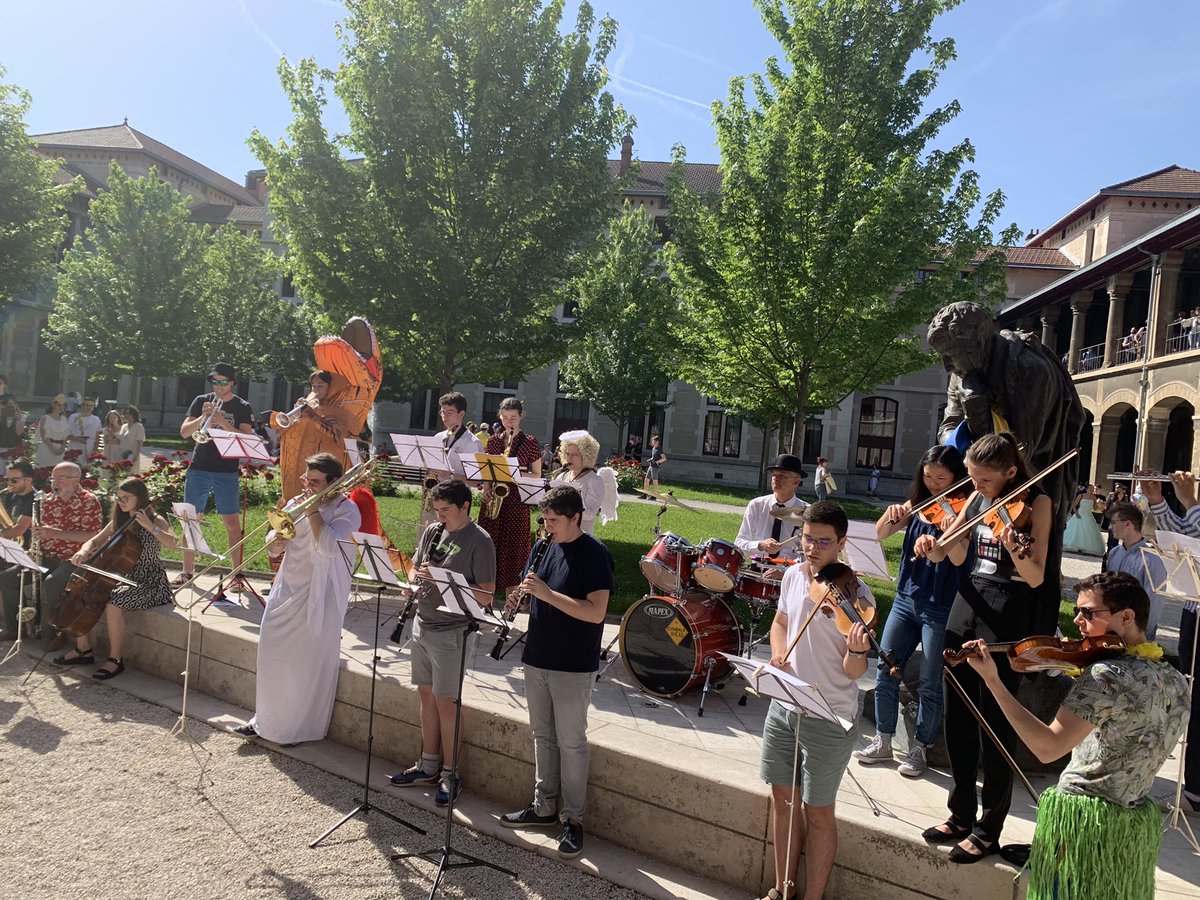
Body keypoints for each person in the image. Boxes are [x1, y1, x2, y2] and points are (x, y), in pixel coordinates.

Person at [962, 572, 1188, 899]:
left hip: (1082, 824)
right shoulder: (1176, 681)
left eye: (1089, 613)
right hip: (1132, 824)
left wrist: (993, 682)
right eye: (1077, 610)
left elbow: (1047, 747)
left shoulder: (1104, 675)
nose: (1077, 620)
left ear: (1126, 617)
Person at [913, 432, 1052, 863]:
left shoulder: (1038, 504)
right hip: (968, 598)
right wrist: (931, 544)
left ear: (1011, 472)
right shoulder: (975, 498)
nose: (977, 486)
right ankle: (960, 812)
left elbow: (1035, 576)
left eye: (985, 480)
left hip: (1007, 608)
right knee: (958, 714)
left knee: (995, 720)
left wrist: (1013, 544)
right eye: (972, 478)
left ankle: (988, 827)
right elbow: (947, 555)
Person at [757, 501, 873, 900]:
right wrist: (777, 654)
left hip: (829, 715)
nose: (812, 548)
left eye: (823, 542)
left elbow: (855, 674)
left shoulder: (856, 595)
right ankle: (782, 889)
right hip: (785, 705)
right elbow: (781, 622)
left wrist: (857, 652)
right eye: (807, 539)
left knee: (819, 811)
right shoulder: (791, 577)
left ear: (841, 544)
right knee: (782, 799)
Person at [499, 486, 614, 862]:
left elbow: (596, 612)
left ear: (575, 518)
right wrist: (518, 595)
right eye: (544, 520)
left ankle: (574, 820)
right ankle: (543, 807)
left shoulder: (595, 555)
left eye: (554, 521)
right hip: (537, 655)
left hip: (573, 663)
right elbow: (531, 587)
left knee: (571, 742)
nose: (547, 527)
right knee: (542, 737)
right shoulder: (543, 547)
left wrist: (547, 595)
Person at [855, 445, 968, 777]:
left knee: (931, 681)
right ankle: (883, 740)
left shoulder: (963, 511)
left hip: (941, 604)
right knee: (886, 666)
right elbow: (876, 535)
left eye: (942, 478)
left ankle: (920, 749)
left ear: (956, 477)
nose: (934, 484)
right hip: (906, 599)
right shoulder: (917, 505)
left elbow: (960, 559)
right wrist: (893, 515)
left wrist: (950, 533)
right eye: (929, 476)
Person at [232, 453, 360, 744]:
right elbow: (274, 549)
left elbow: (327, 546)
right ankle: (264, 719)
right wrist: (275, 541)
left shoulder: (347, 509)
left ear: (333, 483)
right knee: (271, 651)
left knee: (304, 660)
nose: (307, 485)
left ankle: (296, 728)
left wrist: (313, 510)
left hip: (321, 591)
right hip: (288, 585)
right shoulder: (294, 503)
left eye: (314, 482)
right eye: (306, 478)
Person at [389, 479, 495, 806]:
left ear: (465, 507)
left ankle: (451, 772)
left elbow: (488, 594)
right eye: (437, 510)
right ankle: (428, 764)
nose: (440, 516)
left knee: (446, 702)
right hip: (423, 622)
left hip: (453, 630)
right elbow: (416, 569)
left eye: (446, 510)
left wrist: (444, 579)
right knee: (425, 695)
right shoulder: (434, 531)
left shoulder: (480, 540)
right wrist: (412, 583)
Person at [52, 478, 178, 679]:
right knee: (83, 592)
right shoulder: (119, 520)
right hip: (122, 576)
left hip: (150, 582)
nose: (122, 502)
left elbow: (174, 545)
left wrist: (148, 525)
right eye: (119, 498)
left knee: (113, 604)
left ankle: (115, 660)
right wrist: (83, 551)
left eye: (126, 498)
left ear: (140, 497)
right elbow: (95, 540)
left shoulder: (155, 520)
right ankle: (83, 650)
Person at [1137, 470, 1200, 814]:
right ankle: (1196, 788)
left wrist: (1189, 501)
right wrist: (1159, 501)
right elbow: (1187, 543)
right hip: (1196, 610)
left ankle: (1197, 791)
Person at [177, 363, 255, 593]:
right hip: (199, 467)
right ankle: (187, 572)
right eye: (215, 382)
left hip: (226, 470)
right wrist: (202, 416)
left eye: (223, 382)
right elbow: (184, 432)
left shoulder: (242, 406)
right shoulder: (202, 400)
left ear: (232, 383)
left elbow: (246, 438)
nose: (219, 387)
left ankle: (236, 574)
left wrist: (221, 421)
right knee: (190, 520)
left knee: (231, 523)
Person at [30, 462, 103, 649]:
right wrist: (33, 549)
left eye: (61, 478)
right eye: (53, 478)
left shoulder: (89, 500)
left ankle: (57, 633)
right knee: (10, 576)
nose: (55, 483)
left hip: (76, 558)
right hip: (47, 555)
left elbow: (93, 536)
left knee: (53, 581)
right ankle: (17, 627)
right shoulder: (46, 501)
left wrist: (54, 533)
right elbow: (39, 532)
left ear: (75, 480)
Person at [479, 397, 542, 592]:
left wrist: (513, 472)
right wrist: (487, 489)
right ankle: (484, 601)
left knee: (514, 554)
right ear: (500, 417)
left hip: (516, 502)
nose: (509, 422)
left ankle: (511, 605)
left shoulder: (530, 442)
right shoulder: (493, 441)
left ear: (521, 417)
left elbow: (537, 474)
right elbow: (487, 471)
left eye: (513, 418)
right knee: (487, 549)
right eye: (505, 417)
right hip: (494, 503)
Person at [1104, 503, 1167, 639]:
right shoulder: (1114, 553)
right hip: (1112, 627)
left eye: (1114, 523)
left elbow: (1155, 601)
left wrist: (1143, 632)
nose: (1110, 527)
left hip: (1137, 631)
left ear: (1128, 524)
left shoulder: (1152, 560)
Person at [734, 454, 809, 561]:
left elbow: (809, 552)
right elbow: (739, 542)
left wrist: (787, 570)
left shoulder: (807, 511)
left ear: (796, 482)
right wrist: (760, 545)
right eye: (774, 475)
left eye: (783, 476)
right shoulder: (756, 505)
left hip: (788, 570)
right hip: (758, 567)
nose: (776, 479)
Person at [549, 430, 613, 535]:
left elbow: (590, 515)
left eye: (575, 455)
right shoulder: (562, 476)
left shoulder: (595, 481)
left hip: (581, 537)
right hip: (559, 535)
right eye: (567, 453)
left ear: (586, 456)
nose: (569, 458)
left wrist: (573, 498)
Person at [0, 460, 37, 641]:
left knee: (6, 577)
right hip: (10, 548)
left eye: (14, 480)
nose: (9, 484)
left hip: (27, 553)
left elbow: (18, 530)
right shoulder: (10, 495)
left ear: (28, 480)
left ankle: (15, 628)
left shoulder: (34, 499)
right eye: (7, 479)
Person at [1062, 483, 1106, 556]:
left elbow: (1094, 507)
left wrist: (1099, 505)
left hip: (1088, 514)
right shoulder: (1081, 495)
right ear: (1086, 489)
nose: (1092, 490)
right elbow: (1074, 504)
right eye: (1090, 489)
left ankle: (1085, 546)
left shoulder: (1094, 497)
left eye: (1092, 489)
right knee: (1076, 529)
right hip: (1080, 513)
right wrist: (1076, 513)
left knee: (1089, 530)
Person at [36, 394, 70, 469]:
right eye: (59, 405)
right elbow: (43, 436)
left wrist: (62, 448)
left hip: (60, 449)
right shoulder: (45, 418)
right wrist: (53, 449)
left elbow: (66, 436)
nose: (61, 407)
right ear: (53, 405)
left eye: (63, 405)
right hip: (47, 448)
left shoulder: (64, 419)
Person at [66, 397, 101, 461]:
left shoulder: (96, 419)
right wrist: (77, 439)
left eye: (91, 406)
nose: (89, 408)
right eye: (87, 405)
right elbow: (67, 433)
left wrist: (95, 451)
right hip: (75, 445)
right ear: (82, 405)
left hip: (90, 446)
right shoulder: (73, 417)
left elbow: (97, 436)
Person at [119, 405, 146, 472]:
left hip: (132, 455)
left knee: (130, 473)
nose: (126, 415)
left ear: (134, 414)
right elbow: (120, 440)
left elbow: (140, 443)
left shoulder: (139, 426)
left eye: (129, 413)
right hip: (121, 454)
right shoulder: (124, 426)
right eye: (125, 413)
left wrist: (136, 456)